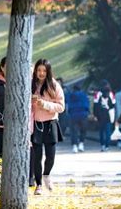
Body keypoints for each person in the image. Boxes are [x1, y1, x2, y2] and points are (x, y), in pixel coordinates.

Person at [30, 59, 65, 195]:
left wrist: (44, 104)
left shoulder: (54, 85)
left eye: (44, 70)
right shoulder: (31, 85)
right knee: (37, 157)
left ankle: (46, 175)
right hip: (36, 124)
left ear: (48, 71)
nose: (41, 73)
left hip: (51, 124)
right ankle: (38, 184)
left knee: (50, 156)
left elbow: (61, 107)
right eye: (39, 70)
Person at [67, 85, 89, 153]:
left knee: (74, 131)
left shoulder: (70, 96)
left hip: (73, 115)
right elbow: (87, 105)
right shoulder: (84, 95)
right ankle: (81, 144)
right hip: (83, 115)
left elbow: (68, 105)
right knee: (83, 130)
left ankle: (74, 146)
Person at [94, 84, 115, 152]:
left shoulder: (98, 95)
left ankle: (102, 145)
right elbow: (113, 105)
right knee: (108, 131)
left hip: (100, 116)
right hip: (108, 115)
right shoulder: (111, 95)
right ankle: (107, 146)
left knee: (101, 131)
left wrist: (96, 115)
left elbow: (95, 106)